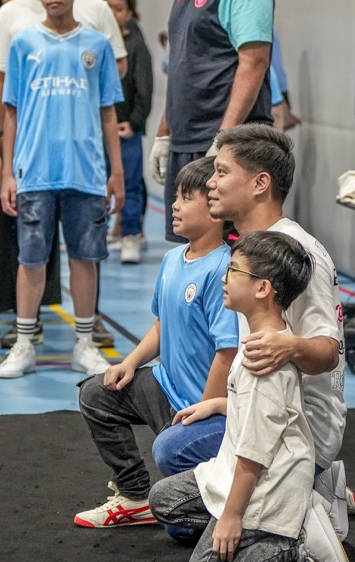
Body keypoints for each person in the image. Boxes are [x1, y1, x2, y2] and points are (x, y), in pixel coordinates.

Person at [157, 124, 355, 539]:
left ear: (260, 183)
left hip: (298, 428)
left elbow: (328, 352)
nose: (210, 182)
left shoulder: (298, 253)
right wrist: (217, 403)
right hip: (260, 410)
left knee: (173, 454)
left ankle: (305, 510)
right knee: (175, 491)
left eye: (223, 173)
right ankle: (301, 495)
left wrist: (291, 344)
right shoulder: (249, 246)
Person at [148, 231, 354, 562]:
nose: (224, 278)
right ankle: (284, 521)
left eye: (233, 271)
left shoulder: (265, 359)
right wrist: (218, 403)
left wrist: (231, 516)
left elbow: (254, 456)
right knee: (163, 500)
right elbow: (263, 409)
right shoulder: (264, 338)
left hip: (265, 482)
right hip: (248, 471)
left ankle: (296, 542)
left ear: (262, 289)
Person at [74, 157, 236, 528]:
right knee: (97, 394)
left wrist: (206, 410)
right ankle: (133, 497)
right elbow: (162, 325)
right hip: (166, 386)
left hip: (201, 402)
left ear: (214, 210)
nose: (174, 206)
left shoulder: (223, 268)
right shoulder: (171, 259)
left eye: (185, 198)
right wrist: (129, 363)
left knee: (181, 527)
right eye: (174, 196)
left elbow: (227, 352)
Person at [0, 0, 127, 348]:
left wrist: (116, 172)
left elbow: (107, 114)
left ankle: (85, 344)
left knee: (85, 258)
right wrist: (7, 171)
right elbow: (10, 112)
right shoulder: (22, 42)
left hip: (85, 172)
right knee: (30, 259)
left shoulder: (97, 45)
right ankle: (25, 343)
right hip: (34, 171)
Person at [151, 0, 274, 243]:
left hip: (221, 143)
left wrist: (224, 141)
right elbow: (180, 63)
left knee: (230, 258)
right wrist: (164, 131)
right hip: (186, 140)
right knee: (191, 252)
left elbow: (254, 62)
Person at [103, 0, 152, 263]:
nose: (113, 12)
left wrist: (133, 122)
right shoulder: (99, 42)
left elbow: (144, 87)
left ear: (129, 12)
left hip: (125, 130)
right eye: (108, 7)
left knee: (130, 183)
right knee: (99, 184)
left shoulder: (136, 46)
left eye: (119, 8)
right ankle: (104, 232)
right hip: (101, 129)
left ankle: (131, 234)